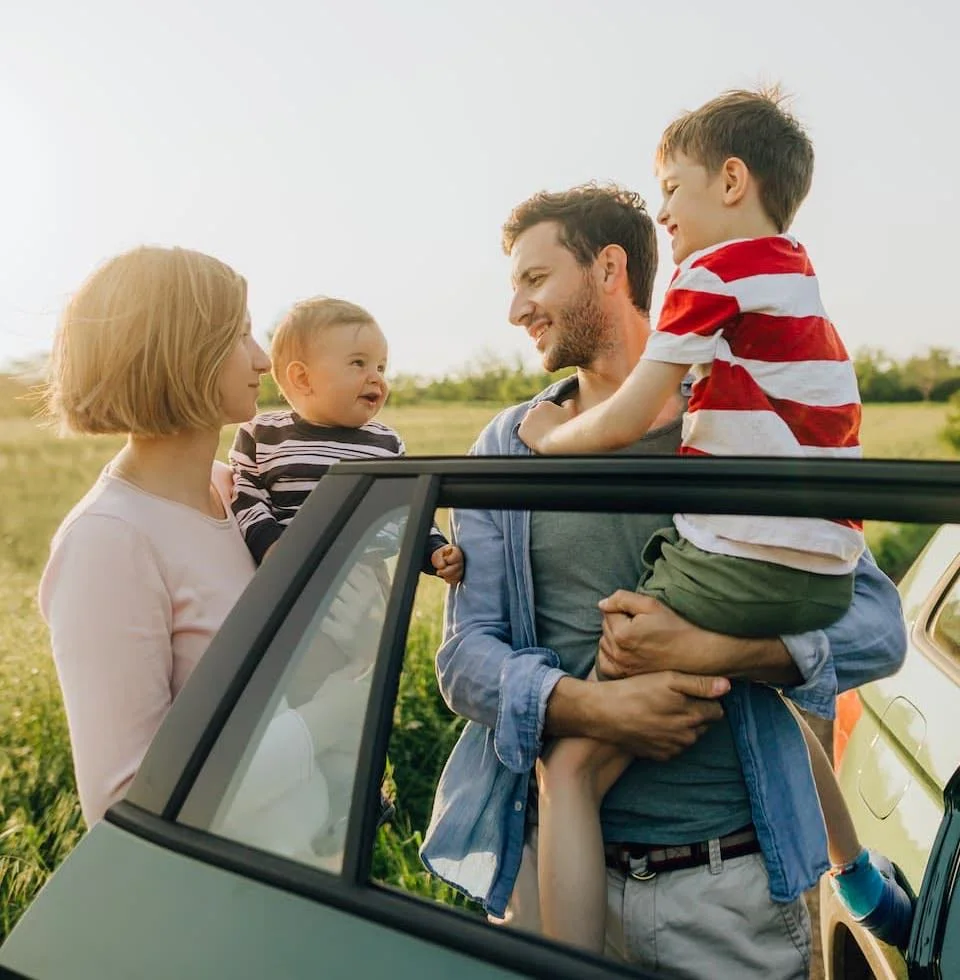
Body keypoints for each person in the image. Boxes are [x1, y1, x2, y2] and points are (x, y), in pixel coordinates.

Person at [420, 183, 908, 979]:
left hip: (732, 895)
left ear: (609, 268)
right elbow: (465, 658)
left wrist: (713, 648)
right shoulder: (507, 447)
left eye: (535, 280)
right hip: (553, 879)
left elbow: (877, 626)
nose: (516, 309)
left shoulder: (745, 421)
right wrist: (594, 705)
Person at [38, 247, 369, 853]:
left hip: (307, 867)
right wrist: (328, 722)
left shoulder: (237, 493)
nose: (264, 359)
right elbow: (126, 803)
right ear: (180, 351)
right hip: (219, 899)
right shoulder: (109, 540)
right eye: (240, 334)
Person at [228, 296, 464, 583]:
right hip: (288, 577)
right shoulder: (264, 434)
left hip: (364, 581)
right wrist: (269, 544)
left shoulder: (384, 443)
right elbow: (246, 495)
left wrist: (434, 550)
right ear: (303, 378)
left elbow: (407, 509)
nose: (376, 378)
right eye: (358, 363)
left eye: (381, 367)